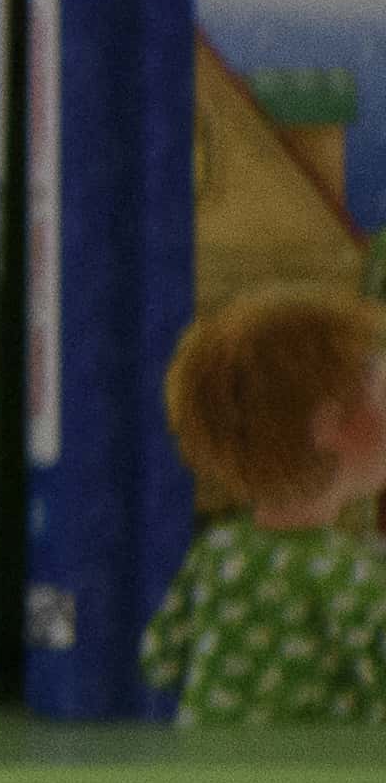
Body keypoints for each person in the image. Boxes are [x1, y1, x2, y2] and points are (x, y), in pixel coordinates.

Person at [148, 282, 386, 721]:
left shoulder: (218, 551)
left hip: (207, 770)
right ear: (328, 424)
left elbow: (159, 658)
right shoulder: (348, 574)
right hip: (310, 777)